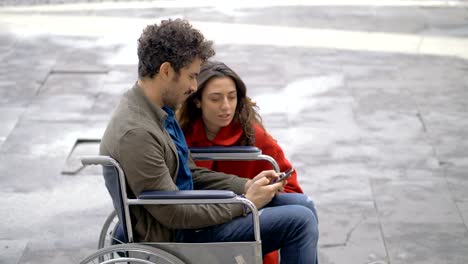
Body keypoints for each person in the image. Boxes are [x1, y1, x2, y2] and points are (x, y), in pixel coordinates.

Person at [99, 18, 319, 264]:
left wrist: (245, 186)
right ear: (166, 71)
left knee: (302, 204)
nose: (194, 86)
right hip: (179, 237)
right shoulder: (137, 133)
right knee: (300, 221)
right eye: (191, 76)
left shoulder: (157, 109)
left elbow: (190, 173)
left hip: (189, 215)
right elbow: (172, 213)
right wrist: (246, 205)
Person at [177, 60, 305, 264]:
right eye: (215, 99)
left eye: (232, 97)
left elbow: (291, 189)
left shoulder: (255, 138)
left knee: (304, 206)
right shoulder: (181, 135)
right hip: (199, 223)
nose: (226, 106)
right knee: (303, 214)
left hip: (246, 226)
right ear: (197, 100)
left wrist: (262, 192)